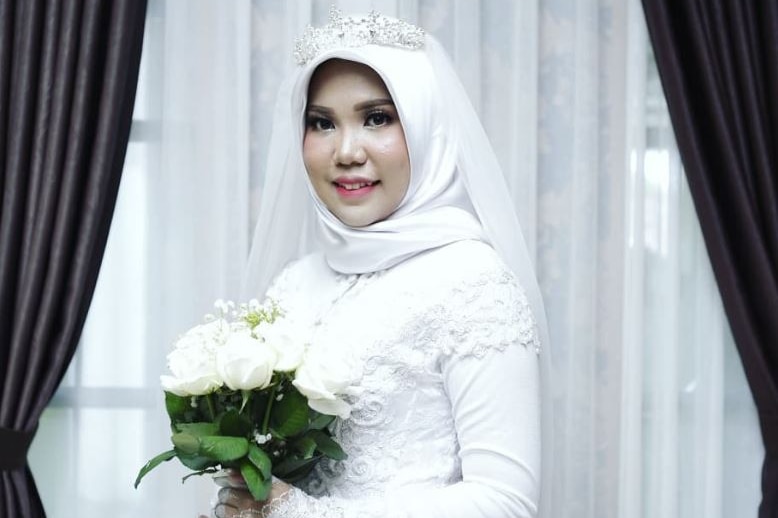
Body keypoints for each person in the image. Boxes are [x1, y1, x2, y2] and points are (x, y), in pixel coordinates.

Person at [208, 8, 552, 518]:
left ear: (426, 124)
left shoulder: (472, 280)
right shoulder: (294, 283)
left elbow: (505, 501)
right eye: (322, 123)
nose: (347, 152)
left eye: (377, 118)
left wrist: (293, 513)